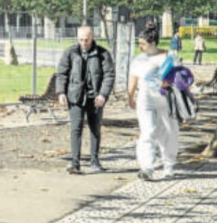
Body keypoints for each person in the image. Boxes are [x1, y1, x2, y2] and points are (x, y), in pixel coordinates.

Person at [56, 26, 116, 174]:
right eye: (81, 40)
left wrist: (103, 94)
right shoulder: (70, 53)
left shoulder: (103, 54)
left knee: (95, 129)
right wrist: (61, 92)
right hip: (75, 97)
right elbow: (62, 73)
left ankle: (95, 160)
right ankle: (75, 163)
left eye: (87, 40)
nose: (84, 43)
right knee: (75, 129)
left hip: (95, 98)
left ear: (92, 38)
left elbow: (109, 75)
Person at [128, 22, 179, 181]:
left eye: (143, 44)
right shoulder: (138, 60)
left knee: (169, 132)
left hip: (166, 99)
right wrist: (130, 96)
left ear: (152, 43)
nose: (140, 47)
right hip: (145, 99)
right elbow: (133, 79)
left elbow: (180, 78)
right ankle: (147, 167)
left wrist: (169, 82)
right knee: (148, 131)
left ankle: (168, 165)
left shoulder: (169, 57)